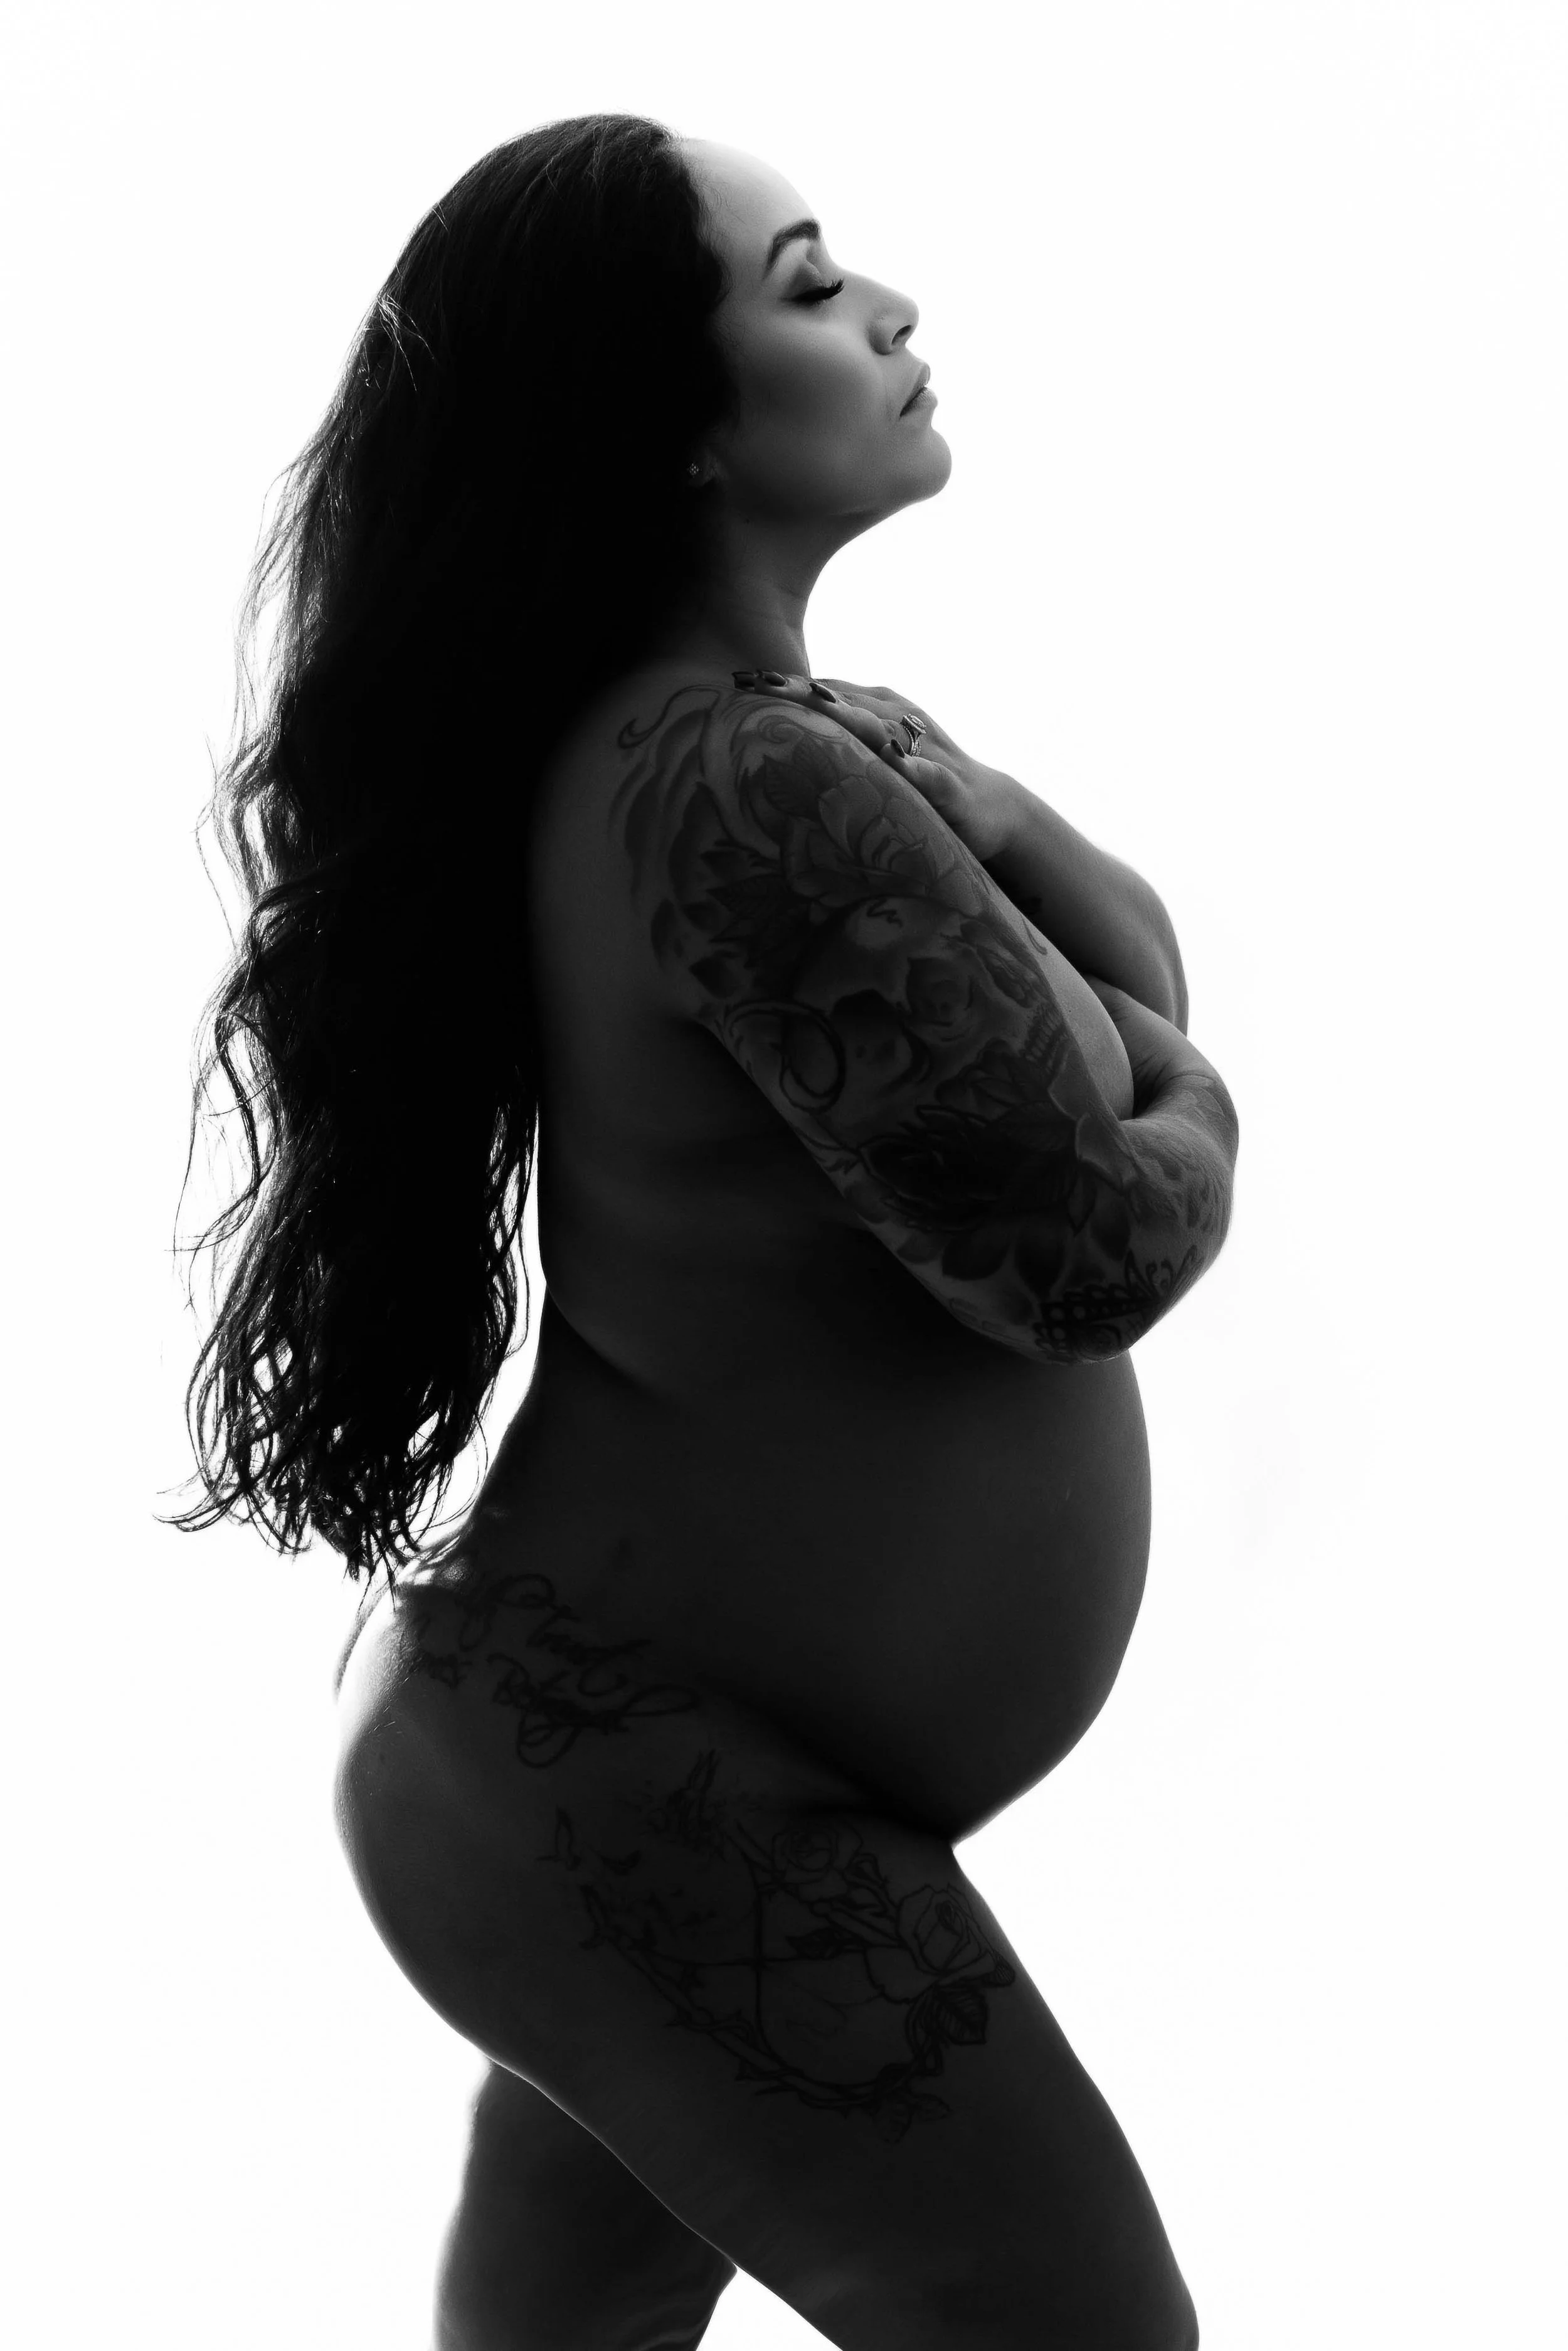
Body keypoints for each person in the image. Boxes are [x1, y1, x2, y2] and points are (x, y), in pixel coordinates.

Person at [177, 112, 1237, 2351]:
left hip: (629, 1785)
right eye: (807, 276)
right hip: (655, 1787)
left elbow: (1135, 966)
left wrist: (997, 812)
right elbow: (1075, 1253)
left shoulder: (793, 749)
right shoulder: (731, 789)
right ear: (666, 425)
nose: (888, 308)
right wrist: (1205, 1105)